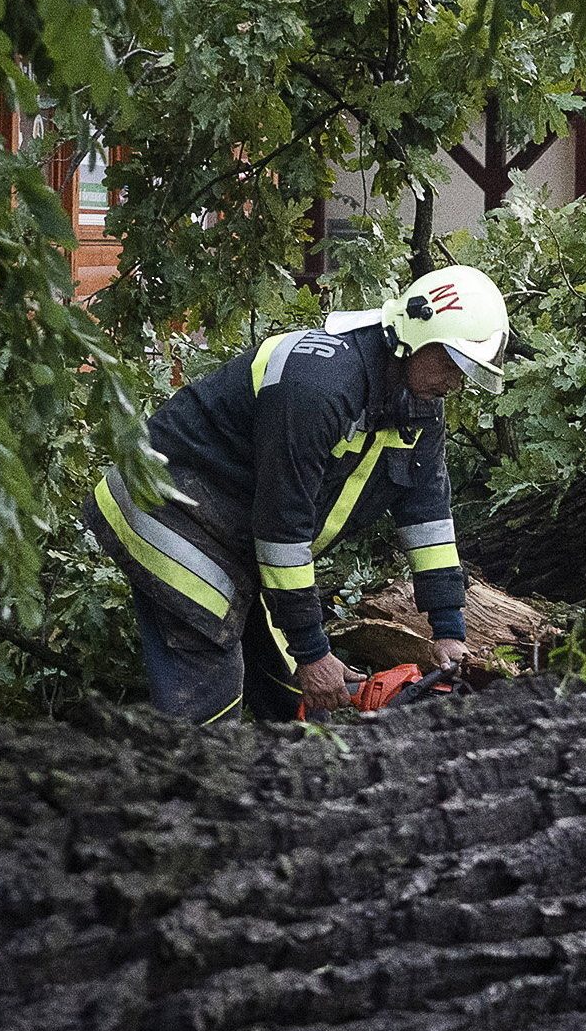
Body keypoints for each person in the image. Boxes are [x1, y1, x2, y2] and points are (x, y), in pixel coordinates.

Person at [89, 265, 510, 723]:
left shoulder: (417, 402)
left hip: (242, 533)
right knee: (209, 703)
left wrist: (448, 628)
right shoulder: (318, 386)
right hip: (168, 509)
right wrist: (312, 652)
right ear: (416, 334)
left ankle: (284, 784)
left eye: (466, 371)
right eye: (450, 363)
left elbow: (427, 516)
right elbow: (283, 528)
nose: (455, 382)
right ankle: (184, 781)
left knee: (297, 699)